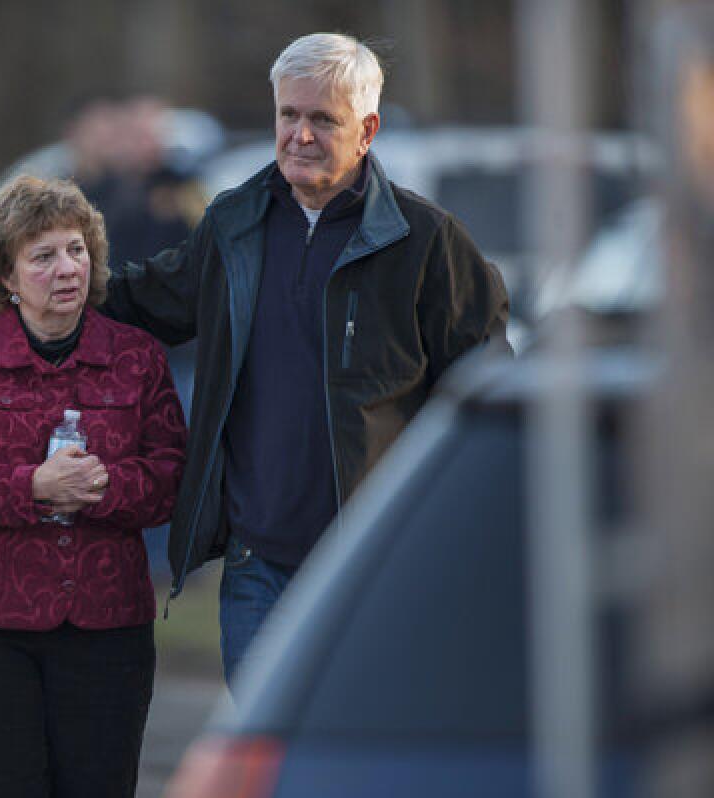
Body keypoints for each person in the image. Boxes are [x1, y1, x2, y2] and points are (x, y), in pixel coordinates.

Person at [101, 32, 512, 688]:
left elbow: (485, 394)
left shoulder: (429, 243)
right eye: (289, 115)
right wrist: (34, 296)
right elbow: (148, 298)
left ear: (368, 129)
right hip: (256, 569)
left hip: (376, 568)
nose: (300, 134)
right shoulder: (234, 223)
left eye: (323, 119)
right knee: (270, 764)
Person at [0, 175, 186, 798]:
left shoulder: (138, 358)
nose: (67, 269)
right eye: (43, 256)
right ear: (5, 276)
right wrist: (31, 485)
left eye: (77, 250)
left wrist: (105, 484)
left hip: (106, 628)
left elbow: (170, 476)